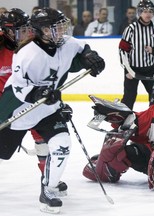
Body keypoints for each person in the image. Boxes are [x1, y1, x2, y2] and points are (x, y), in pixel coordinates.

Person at [0, 7, 105, 213]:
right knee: (3, 152)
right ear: (43, 30)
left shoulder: (65, 43)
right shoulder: (27, 54)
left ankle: (48, 188)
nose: (62, 31)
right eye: (56, 28)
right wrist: (37, 94)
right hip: (20, 110)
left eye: (62, 26)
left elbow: (82, 47)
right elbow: (18, 88)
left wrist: (91, 57)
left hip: (48, 109)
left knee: (61, 145)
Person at [0, 7, 70, 195]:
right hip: (6, 108)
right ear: (7, 31)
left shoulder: (33, 48)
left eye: (27, 29)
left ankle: (48, 179)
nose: (25, 34)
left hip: (31, 103)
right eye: (20, 31)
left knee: (44, 140)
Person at [119, 0, 154, 110]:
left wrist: (153, 50)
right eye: (145, 11)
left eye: (150, 11)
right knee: (129, 97)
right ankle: (121, 121)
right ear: (139, 13)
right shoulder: (131, 29)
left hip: (150, 69)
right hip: (133, 69)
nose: (148, 14)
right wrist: (128, 69)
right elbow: (122, 50)